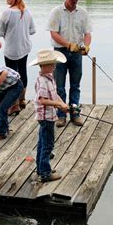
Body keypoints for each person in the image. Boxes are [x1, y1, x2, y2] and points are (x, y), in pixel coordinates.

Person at [47, 0, 92, 127]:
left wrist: (86, 45)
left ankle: (75, 113)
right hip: (59, 52)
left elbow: (87, 33)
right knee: (59, 86)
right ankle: (61, 115)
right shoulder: (56, 12)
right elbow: (53, 33)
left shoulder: (83, 13)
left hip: (77, 53)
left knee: (75, 85)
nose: (74, 1)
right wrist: (68, 45)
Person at [29, 49, 69, 182]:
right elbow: (42, 100)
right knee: (48, 145)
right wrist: (58, 105)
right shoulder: (42, 81)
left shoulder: (50, 78)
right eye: (52, 64)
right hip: (45, 117)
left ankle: (41, 168)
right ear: (43, 66)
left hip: (49, 116)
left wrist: (63, 104)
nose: (55, 66)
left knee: (42, 143)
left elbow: (54, 94)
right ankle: (45, 173)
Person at [0, 0, 36, 115]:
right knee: (23, 72)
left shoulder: (7, 13)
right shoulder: (27, 12)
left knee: (11, 76)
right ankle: (22, 99)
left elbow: (1, 32)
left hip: (11, 49)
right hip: (24, 47)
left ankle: (14, 105)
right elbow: (32, 31)